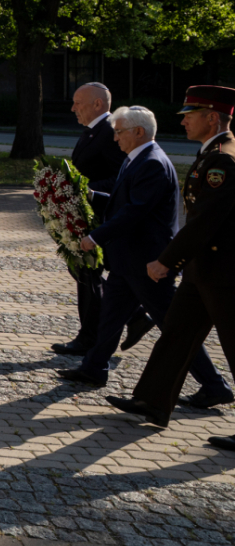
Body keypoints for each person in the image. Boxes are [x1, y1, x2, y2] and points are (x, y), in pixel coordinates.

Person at [56, 106, 233, 403]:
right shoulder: (138, 158)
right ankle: (94, 367)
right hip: (130, 259)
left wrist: (95, 237)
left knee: (175, 327)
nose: (114, 138)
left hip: (147, 261)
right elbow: (126, 199)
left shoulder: (151, 162)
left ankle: (215, 386)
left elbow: (135, 211)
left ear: (138, 132)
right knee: (111, 316)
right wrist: (90, 196)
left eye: (119, 132)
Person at [107, 85, 235, 438]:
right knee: (176, 336)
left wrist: (167, 261)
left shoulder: (222, 158)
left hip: (224, 271)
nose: (183, 122)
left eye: (190, 116)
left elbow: (207, 221)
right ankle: (152, 400)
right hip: (203, 269)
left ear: (212, 118)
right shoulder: (213, 152)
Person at [55, 83, 156, 356]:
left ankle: (91, 338)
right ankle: (133, 318)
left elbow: (120, 179)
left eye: (78, 102)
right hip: (89, 218)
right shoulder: (94, 131)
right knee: (88, 274)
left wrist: (81, 191)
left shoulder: (110, 131)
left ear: (98, 104)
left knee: (89, 274)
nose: (73, 108)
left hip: (102, 219)